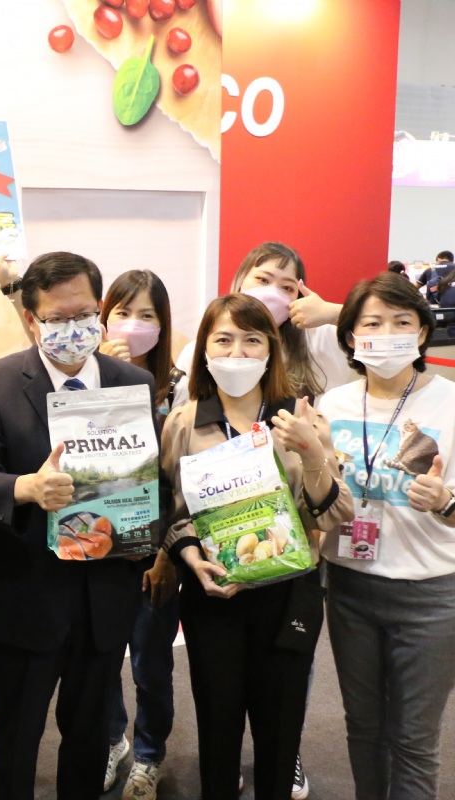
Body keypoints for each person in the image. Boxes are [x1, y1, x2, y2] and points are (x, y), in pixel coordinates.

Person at [0, 251, 156, 800]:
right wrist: (27, 487)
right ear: (31, 319)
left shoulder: (132, 383)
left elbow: (154, 476)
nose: (74, 329)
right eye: (57, 318)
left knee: (90, 735)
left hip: (105, 594)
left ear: (100, 310)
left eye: (84, 315)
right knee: (18, 734)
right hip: (27, 593)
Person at [162, 293, 352, 800]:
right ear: (203, 350)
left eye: (251, 340)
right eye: (223, 340)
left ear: (271, 350)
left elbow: (334, 513)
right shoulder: (184, 422)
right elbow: (173, 513)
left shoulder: (299, 417)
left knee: (280, 730)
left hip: (288, 594)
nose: (237, 353)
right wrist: (191, 558)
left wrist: (312, 453)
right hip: (213, 595)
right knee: (217, 727)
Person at [317, 273, 455, 800]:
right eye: (371, 323)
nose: (387, 334)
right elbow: (317, 497)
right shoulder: (331, 405)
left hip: (431, 595)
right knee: (364, 727)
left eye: (401, 322)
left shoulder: (448, 403)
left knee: (414, 739)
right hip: (350, 587)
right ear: (351, 335)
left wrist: (444, 502)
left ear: (421, 333)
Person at [95, 269, 181, 800]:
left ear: (162, 325)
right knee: (100, 660)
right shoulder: (87, 382)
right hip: (100, 549)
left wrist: (165, 555)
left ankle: (149, 755)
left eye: (146, 315)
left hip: (157, 553)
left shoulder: (181, 387)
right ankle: (113, 741)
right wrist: (108, 382)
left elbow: (181, 480)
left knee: (152, 665)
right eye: (123, 313)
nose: (133, 325)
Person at [173, 242, 355, 410]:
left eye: (287, 288)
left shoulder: (319, 338)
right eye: (263, 280)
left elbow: (370, 336)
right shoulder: (201, 350)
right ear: (241, 280)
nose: (273, 293)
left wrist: (333, 312)